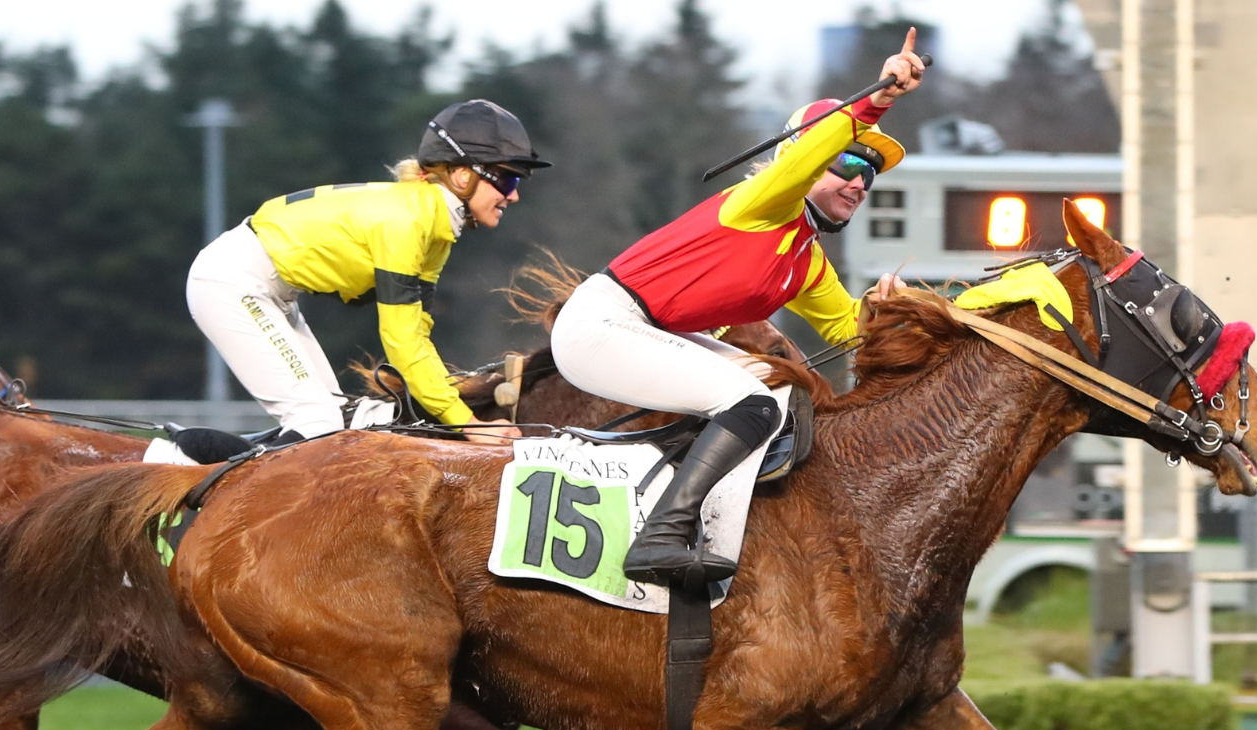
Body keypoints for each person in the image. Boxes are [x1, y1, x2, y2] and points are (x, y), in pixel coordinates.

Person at [550, 31, 926, 585]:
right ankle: (659, 538)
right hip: (600, 325)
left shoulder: (806, 258)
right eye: (846, 165)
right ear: (800, 161)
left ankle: (700, 518)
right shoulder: (765, 205)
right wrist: (880, 99)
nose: (858, 184)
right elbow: (807, 156)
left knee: (777, 390)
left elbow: (850, 329)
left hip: (643, 330)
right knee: (753, 401)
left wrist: (883, 309)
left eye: (869, 175)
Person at [185, 99, 548, 448]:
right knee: (317, 424)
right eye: (507, 181)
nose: (513, 196)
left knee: (340, 419)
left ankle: (199, 459)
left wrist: (452, 407)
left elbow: (417, 335)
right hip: (234, 282)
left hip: (266, 287)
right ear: (463, 175)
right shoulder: (409, 222)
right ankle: (181, 463)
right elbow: (402, 342)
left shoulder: (434, 227)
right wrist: (467, 423)